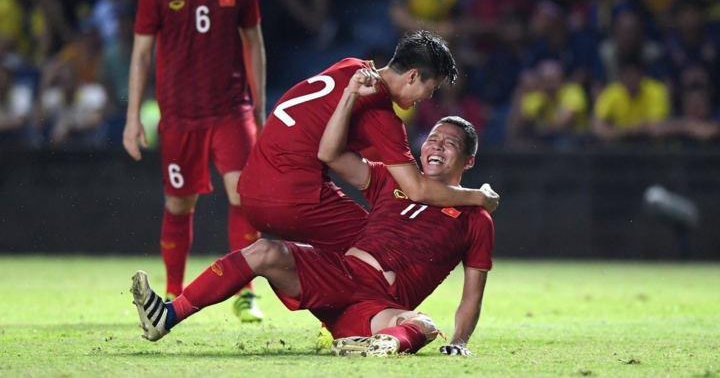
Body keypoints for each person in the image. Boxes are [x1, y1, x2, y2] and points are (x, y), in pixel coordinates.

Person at [131, 68, 495, 357]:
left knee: (423, 325)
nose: (437, 146)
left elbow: (472, 295)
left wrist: (460, 340)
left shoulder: (476, 220)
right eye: (433, 138)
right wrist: (350, 96)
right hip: (340, 276)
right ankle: (168, 314)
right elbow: (331, 155)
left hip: (377, 306)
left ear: (469, 160)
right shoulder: (390, 178)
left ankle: (382, 344)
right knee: (265, 251)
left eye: (450, 144)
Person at [122, 0, 267, 322]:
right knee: (179, 204)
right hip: (180, 115)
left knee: (244, 195)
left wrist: (258, 109)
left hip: (231, 110)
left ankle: (245, 292)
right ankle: (171, 293)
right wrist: (133, 118)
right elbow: (142, 55)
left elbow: (254, 44)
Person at [238, 30, 499, 256]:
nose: (428, 97)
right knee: (380, 248)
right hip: (292, 199)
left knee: (345, 252)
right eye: (430, 89)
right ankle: (364, 314)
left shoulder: (350, 66)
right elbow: (416, 190)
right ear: (412, 76)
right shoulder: (381, 115)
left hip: (250, 195)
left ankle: (264, 262)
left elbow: (377, 168)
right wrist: (477, 196)